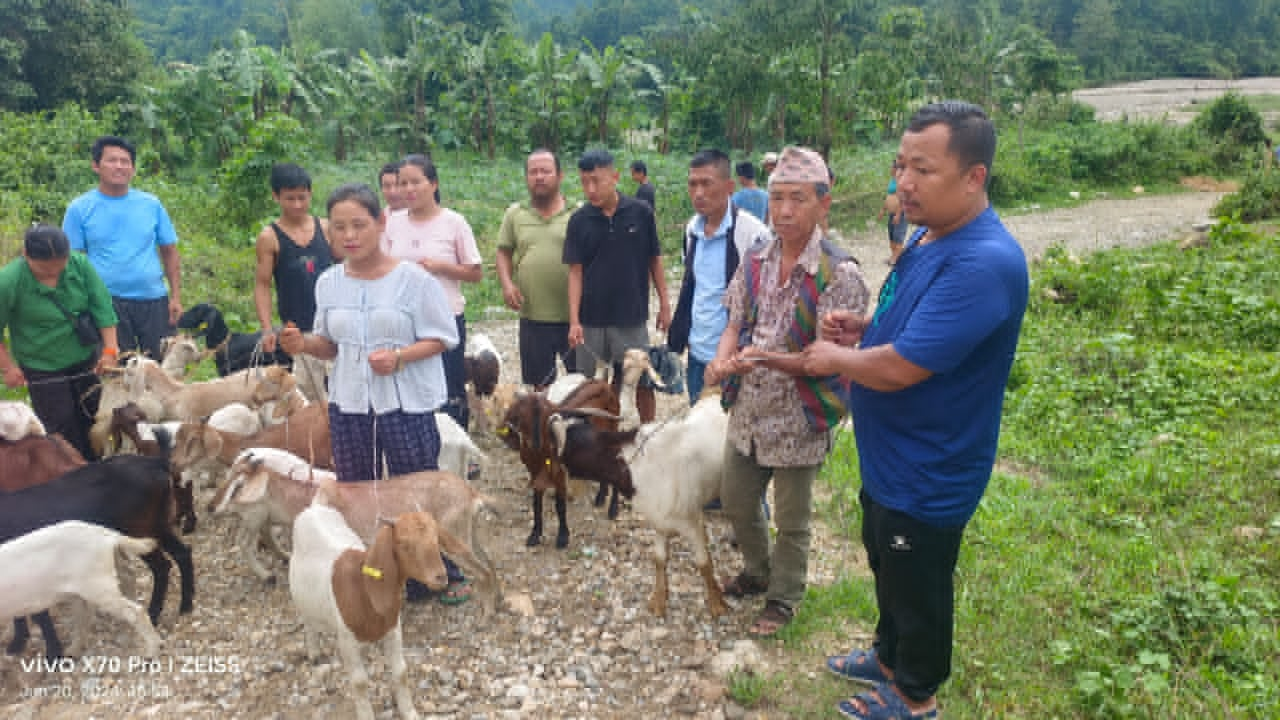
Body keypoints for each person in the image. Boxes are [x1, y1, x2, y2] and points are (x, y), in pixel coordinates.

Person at [803, 101, 1028, 720]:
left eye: (922, 170)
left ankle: (914, 694)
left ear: (974, 177)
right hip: (891, 460)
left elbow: (903, 368)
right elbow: (914, 331)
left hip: (930, 468)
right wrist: (866, 327)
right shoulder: (931, 235)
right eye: (901, 166)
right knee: (886, 564)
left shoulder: (984, 262)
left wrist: (833, 358)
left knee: (918, 584)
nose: (903, 183)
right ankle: (888, 653)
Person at [704, 146, 870, 638]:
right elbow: (735, 319)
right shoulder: (757, 259)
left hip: (801, 413)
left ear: (824, 203)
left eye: (797, 199)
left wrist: (760, 357)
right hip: (751, 410)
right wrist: (722, 357)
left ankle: (784, 598)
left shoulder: (839, 274)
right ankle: (758, 571)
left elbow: (823, 358)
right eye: (776, 199)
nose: (784, 211)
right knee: (735, 499)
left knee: (793, 518)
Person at [279, 182, 471, 605]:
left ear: (381, 223)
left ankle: (435, 571)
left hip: (406, 401)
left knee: (415, 487)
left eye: (359, 225)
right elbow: (329, 344)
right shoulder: (329, 284)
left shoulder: (413, 280)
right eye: (340, 228)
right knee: (355, 489)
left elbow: (443, 337)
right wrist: (303, 344)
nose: (350, 235)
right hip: (350, 402)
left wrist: (401, 357)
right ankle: (372, 569)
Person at [566, 149, 670, 423]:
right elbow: (575, 272)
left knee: (641, 382)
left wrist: (665, 305)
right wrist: (574, 320)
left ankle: (648, 435)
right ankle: (594, 436)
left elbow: (654, 260)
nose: (590, 189)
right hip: (591, 320)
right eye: (584, 182)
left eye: (596, 181)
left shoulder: (641, 213)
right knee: (589, 386)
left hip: (630, 316)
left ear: (614, 177)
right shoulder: (578, 221)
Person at [0, 225, 119, 460]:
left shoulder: (80, 265)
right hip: (42, 366)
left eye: (59, 268)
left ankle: (101, 462)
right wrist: (8, 367)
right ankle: (73, 471)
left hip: (85, 357)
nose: (53, 275)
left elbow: (102, 307)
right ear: (26, 254)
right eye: (44, 271)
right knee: (61, 423)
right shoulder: (8, 281)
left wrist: (109, 350)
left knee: (95, 414)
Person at [383, 154, 483, 429]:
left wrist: (441, 267)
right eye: (403, 183)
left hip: (445, 318)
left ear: (434, 184)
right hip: (403, 319)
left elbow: (475, 273)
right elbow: (380, 265)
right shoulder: (392, 222)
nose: (408, 189)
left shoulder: (454, 223)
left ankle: (459, 449)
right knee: (410, 383)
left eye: (416, 182)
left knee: (450, 386)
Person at [62, 135, 181, 359]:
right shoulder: (79, 209)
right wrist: (82, 304)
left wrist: (175, 296)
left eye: (125, 161)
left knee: (163, 369)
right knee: (116, 370)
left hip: (153, 300)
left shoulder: (151, 205)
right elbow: (73, 262)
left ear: (133, 169)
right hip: (107, 303)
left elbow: (170, 251)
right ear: (96, 166)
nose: (119, 166)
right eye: (112, 160)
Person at [669, 149, 770, 401]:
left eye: (707, 183)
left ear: (729, 186)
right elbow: (694, 287)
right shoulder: (693, 229)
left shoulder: (754, 234)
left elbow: (765, 302)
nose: (699, 193)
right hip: (698, 353)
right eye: (693, 184)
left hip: (736, 360)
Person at [254, 163, 338, 402]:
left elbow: (347, 266)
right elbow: (262, 284)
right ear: (276, 196)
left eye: (302, 197)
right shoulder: (269, 237)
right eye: (290, 199)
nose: (297, 205)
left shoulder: (326, 228)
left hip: (333, 326)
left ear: (310, 194)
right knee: (309, 397)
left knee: (340, 391)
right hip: (299, 331)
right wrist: (267, 327)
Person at [496, 149, 579, 388]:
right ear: (526, 177)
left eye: (546, 171)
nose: (539, 177)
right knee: (537, 388)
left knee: (581, 385)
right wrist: (507, 284)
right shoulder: (515, 214)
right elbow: (503, 251)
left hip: (574, 318)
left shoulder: (577, 213)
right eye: (533, 172)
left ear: (560, 175)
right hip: (533, 317)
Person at [877, 163, 909, 265]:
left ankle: (896, 259)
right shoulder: (892, 180)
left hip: (900, 214)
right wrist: (883, 210)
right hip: (891, 213)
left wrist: (899, 214)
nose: (890, 169)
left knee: (897, 236)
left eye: (892, 167)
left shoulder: (901, 181)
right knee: (891, 236)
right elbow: (888, 196)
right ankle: (894, 256)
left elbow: (903, 198)